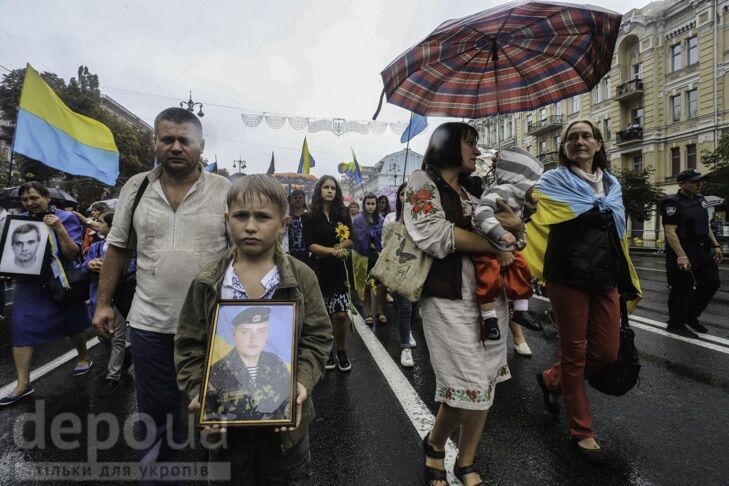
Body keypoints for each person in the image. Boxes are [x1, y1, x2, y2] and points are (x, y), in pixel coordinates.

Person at [92, 107, 230, 479]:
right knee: (157, 418)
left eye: (184, 140)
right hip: (150, 326)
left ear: (201, 145)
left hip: (214, 329)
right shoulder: (135, 187)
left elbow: (244, 254)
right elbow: (118, 248)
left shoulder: (225, 191)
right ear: (155, 142)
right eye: (166, 139)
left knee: (220, 418)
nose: (175, 147)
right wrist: (103, 304)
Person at [175, 174, 331, 485]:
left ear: (283, 223)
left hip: (284, 431)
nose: (250, 226)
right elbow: (189, 345)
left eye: (262, 217)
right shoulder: (209, 282)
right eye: (240, 216)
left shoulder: (302, 278)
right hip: (226, 429)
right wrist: (199, 391)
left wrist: (300, 382)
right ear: (226, 219)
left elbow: (318, 337)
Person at [405, 122, 520, 486]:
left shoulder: (476, 191)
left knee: (485, 382)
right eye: (470, 143)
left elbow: (515, 239)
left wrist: (517, 225)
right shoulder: (422, 183)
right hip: (447, 299)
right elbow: (433, 235)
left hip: (490, 300)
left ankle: (466, 461)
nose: (476, 149)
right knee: (464, 384)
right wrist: (495, 245)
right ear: (449, 147)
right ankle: (435, 444)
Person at [528, 120, 640, 462]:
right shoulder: (552, 181)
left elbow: (616, 234)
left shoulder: (613, 184)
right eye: (572, 137)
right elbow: (532, 211)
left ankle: (551, 380)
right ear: (564, 148)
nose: (579, 141)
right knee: (575, 353)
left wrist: (625, 279)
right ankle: (582, 429)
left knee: (606, 351)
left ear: (599, 144)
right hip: (567, 274)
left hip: (605, 277)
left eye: (586, 136)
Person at [0, 181, 92, 407]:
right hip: (28, 286)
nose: (29, 203)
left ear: (47, 197)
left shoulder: (66, 218)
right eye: (25, 200)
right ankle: (23, 383)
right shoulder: (18, 221)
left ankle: (83, 356)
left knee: (71, 324)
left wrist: (59, 228)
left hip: (58, 282)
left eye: (34, 198)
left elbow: (73, 254)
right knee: (21, 329)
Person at [471, 147, 544, 342]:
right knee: (488, 277)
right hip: (488, 245)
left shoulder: (517, 196)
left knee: (522, 269)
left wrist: (529, 210)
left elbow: (519, 222)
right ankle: (489, 319)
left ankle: (521, 310)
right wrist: (501, 233)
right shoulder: (499, 191)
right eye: (532, 182)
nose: (534, 187)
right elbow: (482, 213)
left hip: (507, 246)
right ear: (520, 177)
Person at [661, 168, 722, 338]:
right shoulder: (672, 203)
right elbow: (670, 232)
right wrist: (681, 255)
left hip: (702, 250)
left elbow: (705, 225)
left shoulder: (701, 199)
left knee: (712, 282)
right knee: (682, 288)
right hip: (683, 250)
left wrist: (715, 245)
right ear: (681, 183)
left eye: (700, 180)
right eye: (694, 181)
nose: (699, 184)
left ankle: (690, 315)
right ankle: (676, 324)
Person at [82, 210, 136, 396]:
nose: (97, 225)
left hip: (118, 298)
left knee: (117, 337)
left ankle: (112, 377)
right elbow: (83, 267)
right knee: (105, 336)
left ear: (112, 226)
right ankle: (125, 355)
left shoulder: (129, 248)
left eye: (100, 222)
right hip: (98, 298)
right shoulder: (96, 246)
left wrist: (110, 268)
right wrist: (90, 265)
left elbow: (133, 268)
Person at [303, 176, 354, 372]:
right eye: (326, 187)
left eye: (333, 188)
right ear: (319, 190)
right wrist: (333, 251)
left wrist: (339, 248)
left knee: (341, 315)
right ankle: (327, 352)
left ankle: (341, 350)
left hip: (339, 269)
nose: (330, 191)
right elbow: (311, 245)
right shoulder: (309, 217)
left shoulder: (343, 213)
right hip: (319, 271)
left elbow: (350, 239)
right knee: (324, 316)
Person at [206, 307, 291, 421]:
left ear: (267, 334)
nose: (253, 339)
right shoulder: (217, 371)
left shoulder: (276, 364)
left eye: (261, 331)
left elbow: (287, 404)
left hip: (275, 434)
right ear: (234, 334)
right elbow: (209, 414)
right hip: (233, 435)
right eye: (245, 332)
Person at [384, 182, 418, 367]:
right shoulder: (391, 218)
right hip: (398, 269)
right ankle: (405, 347)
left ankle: (409, 330)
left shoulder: (421, 218)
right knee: (404, 307)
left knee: (414, 306)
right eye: (403, 194)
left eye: (410, 194)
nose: (406, 197)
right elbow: (385, 245)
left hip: (417, 269)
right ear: (398, 197)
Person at [352, 193, 387, 326]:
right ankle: (367, 312)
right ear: (364, 204)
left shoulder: (382, 220)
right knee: (365, 285)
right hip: (363, 256)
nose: (371, 206)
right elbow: (357, 238)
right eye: (368, 204)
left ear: (376, 205)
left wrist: (376, 241)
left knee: (382, 286)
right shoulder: (358, 220)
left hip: (379, 257)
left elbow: (385, 236)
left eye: (373, 204)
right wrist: (368, 240)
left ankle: (380, 311)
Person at [287, 189, 310, 265]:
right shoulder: (287, 216)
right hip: (290, 252)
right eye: (295, 198)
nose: (298, 200)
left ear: (304, 200)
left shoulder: (309, 216)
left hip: (306, 252)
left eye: (300, 198)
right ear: (291, 200)